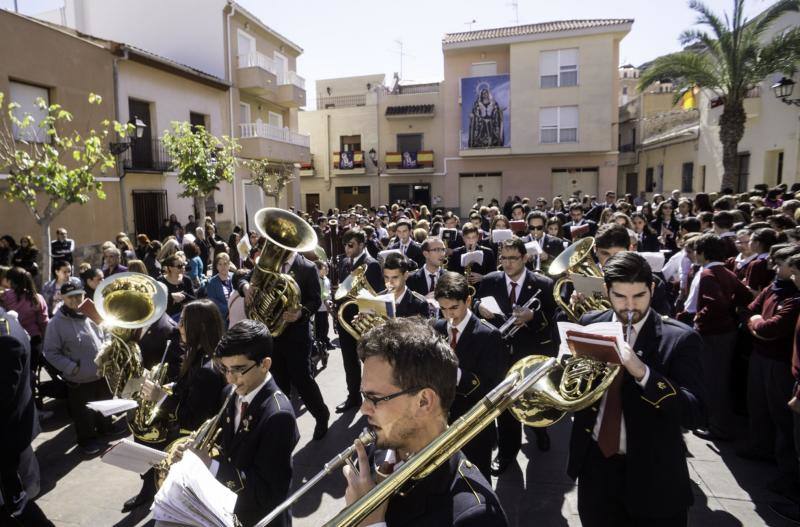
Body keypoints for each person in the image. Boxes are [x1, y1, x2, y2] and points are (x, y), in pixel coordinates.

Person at [568, 251, 705, 527]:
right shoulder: (590, 324)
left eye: (639, 296)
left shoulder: (680, 338)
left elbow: (695, 413)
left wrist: (643, 372)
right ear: (607, 291)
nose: (630, 306)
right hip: (597, 468)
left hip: (654, 475)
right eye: (620, 296)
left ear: (652, 289)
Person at [343, 317, 508, 526]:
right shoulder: (370, 451)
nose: (363, 408)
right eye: (364, 396)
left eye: (374, 398)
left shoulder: (475, 515)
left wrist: (370, 524)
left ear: (424, 401)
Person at [130, 299, 227, 512]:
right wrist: (165, 386)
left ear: (199, 327)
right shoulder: (200, 356)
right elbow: (186, 388)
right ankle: (149, 491)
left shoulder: (208, 370)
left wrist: (160, 398)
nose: (179, 326)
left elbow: (191, 419)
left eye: (183, 322)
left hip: (190, 446)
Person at [472, 237, 558, 475]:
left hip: (530, 352)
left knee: (535, 399)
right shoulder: (490, 280)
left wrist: (533, 317)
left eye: (513, 258)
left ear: (525, 258)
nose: (508, 263)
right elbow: (476, 301)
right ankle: (508, 451)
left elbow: (552, 322)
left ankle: (540, 430)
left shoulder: (543, 283)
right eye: (504, 258)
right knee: (506, 403)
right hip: (500, 353)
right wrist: (479, 307)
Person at [203, 320, 299, 527]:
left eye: (238, 369)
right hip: (231, 509)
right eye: (225, 369)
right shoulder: (229, 392)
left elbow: (266, 493)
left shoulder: (278, 415)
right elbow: (227, 447)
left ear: (265, 364)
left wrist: (209, 465)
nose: (230, 379)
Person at [433, 271, 506, 480]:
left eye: (454, 307)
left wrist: (455, 374)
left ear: (468, 300)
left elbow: (493, 388)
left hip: (474, 425)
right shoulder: (438, 327)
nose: (449, 315)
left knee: (477, 479)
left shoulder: (489, 335)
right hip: (440, 421)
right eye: (443, 309)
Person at [742, 245, 800, 494]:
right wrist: (758, 324)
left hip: (779, 363)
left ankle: (788, 472)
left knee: (782, 417)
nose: (776, 269)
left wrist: (758, 326)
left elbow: (772, 329)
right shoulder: (773, 288)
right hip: (759, 355)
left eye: (782, 265)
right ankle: (760, 447)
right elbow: (751, 309)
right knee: (758, 404)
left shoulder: (794, 299)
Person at [688, 233, 753, 441]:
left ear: (702, 252)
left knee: (713, 380)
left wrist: (698, 318)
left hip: (713, 334)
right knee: (720, 378)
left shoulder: (708, 273)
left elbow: (714, 303)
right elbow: (745, 296)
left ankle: (718, 428)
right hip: (726, 332)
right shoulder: (727, 271)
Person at [263, 244, 330, 440]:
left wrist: (301, 312)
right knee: (278, 382)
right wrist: (246, 286)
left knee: (302, 380)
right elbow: (245, 277)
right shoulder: (271, 264)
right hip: (274, 335)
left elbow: (315, 300)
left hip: (297, 335)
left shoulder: (308, 267)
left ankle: (321, 415)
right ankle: (284, 425)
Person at [42, 282, 112, 455]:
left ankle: (105, 431)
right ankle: (86, 440)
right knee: (83, 414)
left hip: (101, 375)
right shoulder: (55, 323)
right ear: (63, 298)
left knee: (104, 406)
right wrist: (72, 368)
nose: (75, 300)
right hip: (79, 379)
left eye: (78, 295)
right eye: (70, 297)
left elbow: (106, 331)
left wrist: (108, 348)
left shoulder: (91, 312)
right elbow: (50, 352)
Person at [0, 310, 54, 527]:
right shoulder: (6, 319)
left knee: (16, 505)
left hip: (6, 438)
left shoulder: (4, 336)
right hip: (12, 432)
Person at [334, 229, 384, 414]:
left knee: (370, 362)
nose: (347, 249)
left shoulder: (371, 264)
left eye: (351, 245)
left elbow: (378, 294)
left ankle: (373, 399)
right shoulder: (344, 262)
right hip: (346, 320)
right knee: (349, 361)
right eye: (345, 245)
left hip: (365, 320)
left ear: (362, 245)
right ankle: (353, 396)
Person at [2, 267, 48, 408]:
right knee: (31, 374)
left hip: (10, 341)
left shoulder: (4, 297)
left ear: (9, 281)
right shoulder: (37, 298)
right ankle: (32, 404)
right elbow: (44, 323)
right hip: (33, 342)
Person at [448, 223, 496, 289]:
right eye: (468, 238)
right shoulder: (456, 253)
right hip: (461, 290)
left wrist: (482, 278)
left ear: (477, 237)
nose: (471, 241)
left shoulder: (488, 252)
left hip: (482, 289)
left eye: (474, 237)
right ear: (463, 238)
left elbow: (494, 275)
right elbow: (450, 275)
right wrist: (462, 279)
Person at [381, 253, 430, 318]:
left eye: (395, 277)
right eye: (386, 277)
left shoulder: (419, 304)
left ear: (405, 276)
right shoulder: (377, 298)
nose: (390, 282)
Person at [158, 254, 196, 322]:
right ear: (170, 268)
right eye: (179, 266)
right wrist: (171, 296)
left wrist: (183, 296)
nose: (183, 267)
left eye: (183, 264)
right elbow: (158, 300)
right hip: (167, 319)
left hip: (185, 318)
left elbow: (194, 300)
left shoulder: (187, 280)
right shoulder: (161, 281)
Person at [206, 252, 234, 327]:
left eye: (225, 263)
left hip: (236, 314)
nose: (223, 267)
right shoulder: (212, 282)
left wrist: (233, 311)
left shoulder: (234, 277)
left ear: (229, 265)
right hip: (222, 318)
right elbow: (213, 301)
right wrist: (229, 312)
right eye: (220, 264)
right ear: (216, 266)